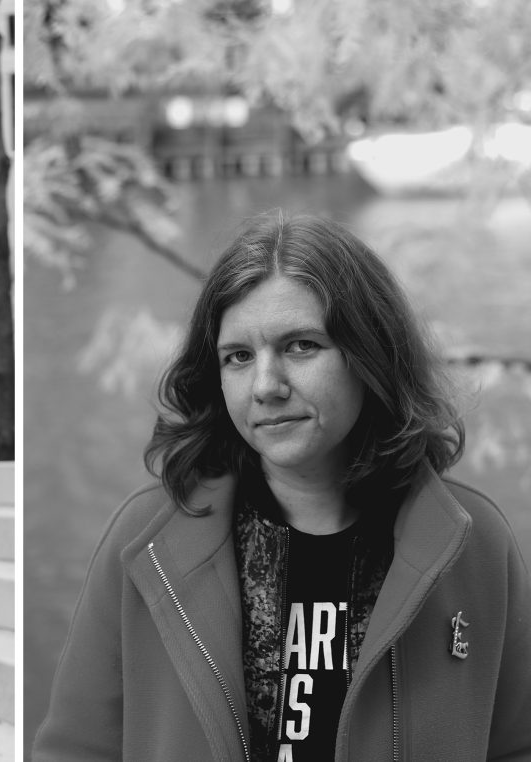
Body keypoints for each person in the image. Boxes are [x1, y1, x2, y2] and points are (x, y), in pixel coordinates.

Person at [32, 213, 531, 761]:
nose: (266, 386)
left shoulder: (473, 544)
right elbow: (75, 749)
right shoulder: (148, 540)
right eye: (239, 357)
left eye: (301, 346)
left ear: (370, 356)